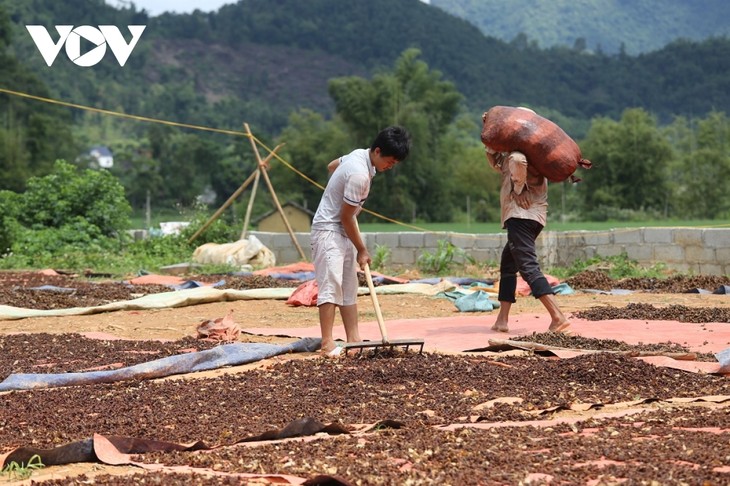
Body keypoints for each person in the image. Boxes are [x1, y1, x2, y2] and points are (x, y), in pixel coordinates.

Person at [311, 126, 412, 357]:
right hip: (329, 229)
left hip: (343, 228)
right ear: (377, 151)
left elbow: (331, 166)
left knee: (348, 285)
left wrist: (337, 188)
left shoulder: (359, 155)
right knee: (331, 284)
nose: (391, 166)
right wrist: (362, 249)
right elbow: (345, 216)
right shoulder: (359, 174)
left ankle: (354, 340)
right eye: (390, 161)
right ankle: (327, 343)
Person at [484, 110, 571, 334]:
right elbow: (498, 162)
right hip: (534, 218)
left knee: (528, 267)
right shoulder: (539, 156)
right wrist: (490, 140)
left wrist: (518, 189)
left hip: (521, 216)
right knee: (508, 265)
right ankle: (502, 319)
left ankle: (557, 316)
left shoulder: (521, 154)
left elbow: (516, 160)